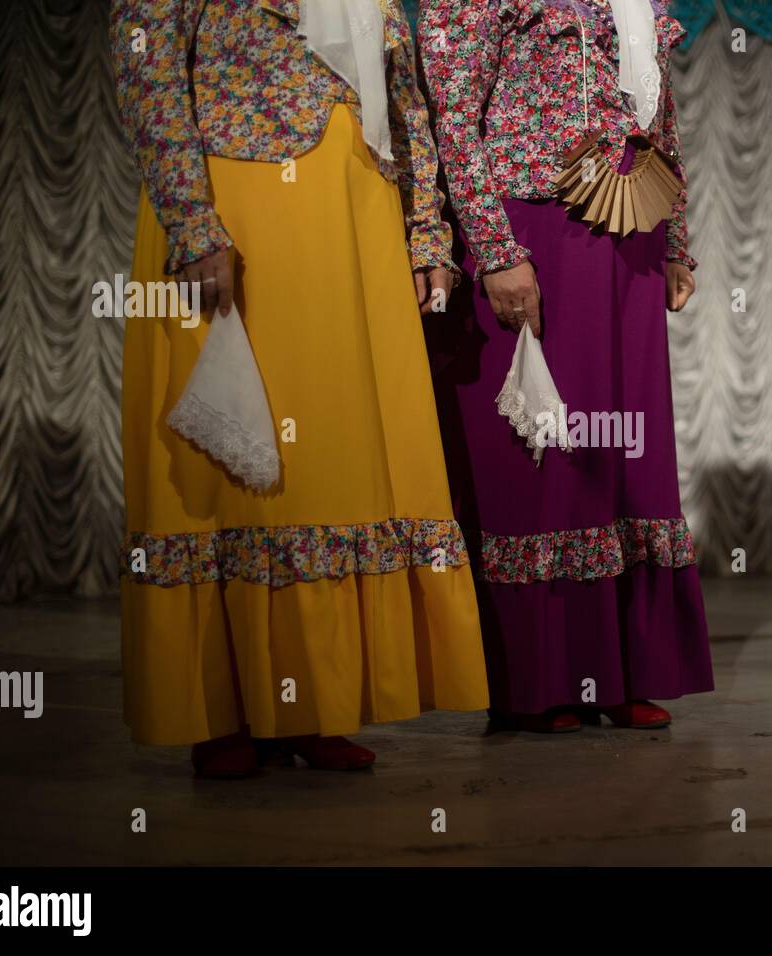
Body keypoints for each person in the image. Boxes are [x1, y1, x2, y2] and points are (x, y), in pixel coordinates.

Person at [111, 0, 489, 776]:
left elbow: (405, 97)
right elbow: (147, 67)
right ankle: (225, 710)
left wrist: (427, 234)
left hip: (355, 221)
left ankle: (309, 699)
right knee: (245, 460)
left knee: (334, 468)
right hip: (241, 210)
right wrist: (191, 222)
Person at [418, 0, 714, 732]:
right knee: (543, 454)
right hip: (534, 227)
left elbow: (660, 121)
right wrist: (493, 249)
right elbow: (453, 116)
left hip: (628, 231)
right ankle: (542, 679)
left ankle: (620, 670)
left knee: (621, 453)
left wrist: (676, 240)